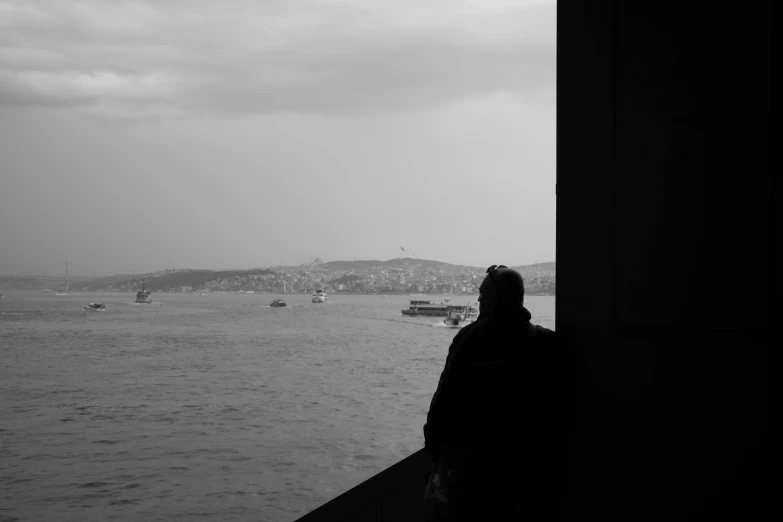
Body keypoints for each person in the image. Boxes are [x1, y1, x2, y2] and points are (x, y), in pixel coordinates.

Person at [423, 265, 566, 521]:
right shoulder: (546, 342)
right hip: (526, 474)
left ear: (495, 298)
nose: (477, 300)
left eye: (482, 294)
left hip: (473, 478)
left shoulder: (470, 339)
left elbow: (442, 405)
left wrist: (440, 457)